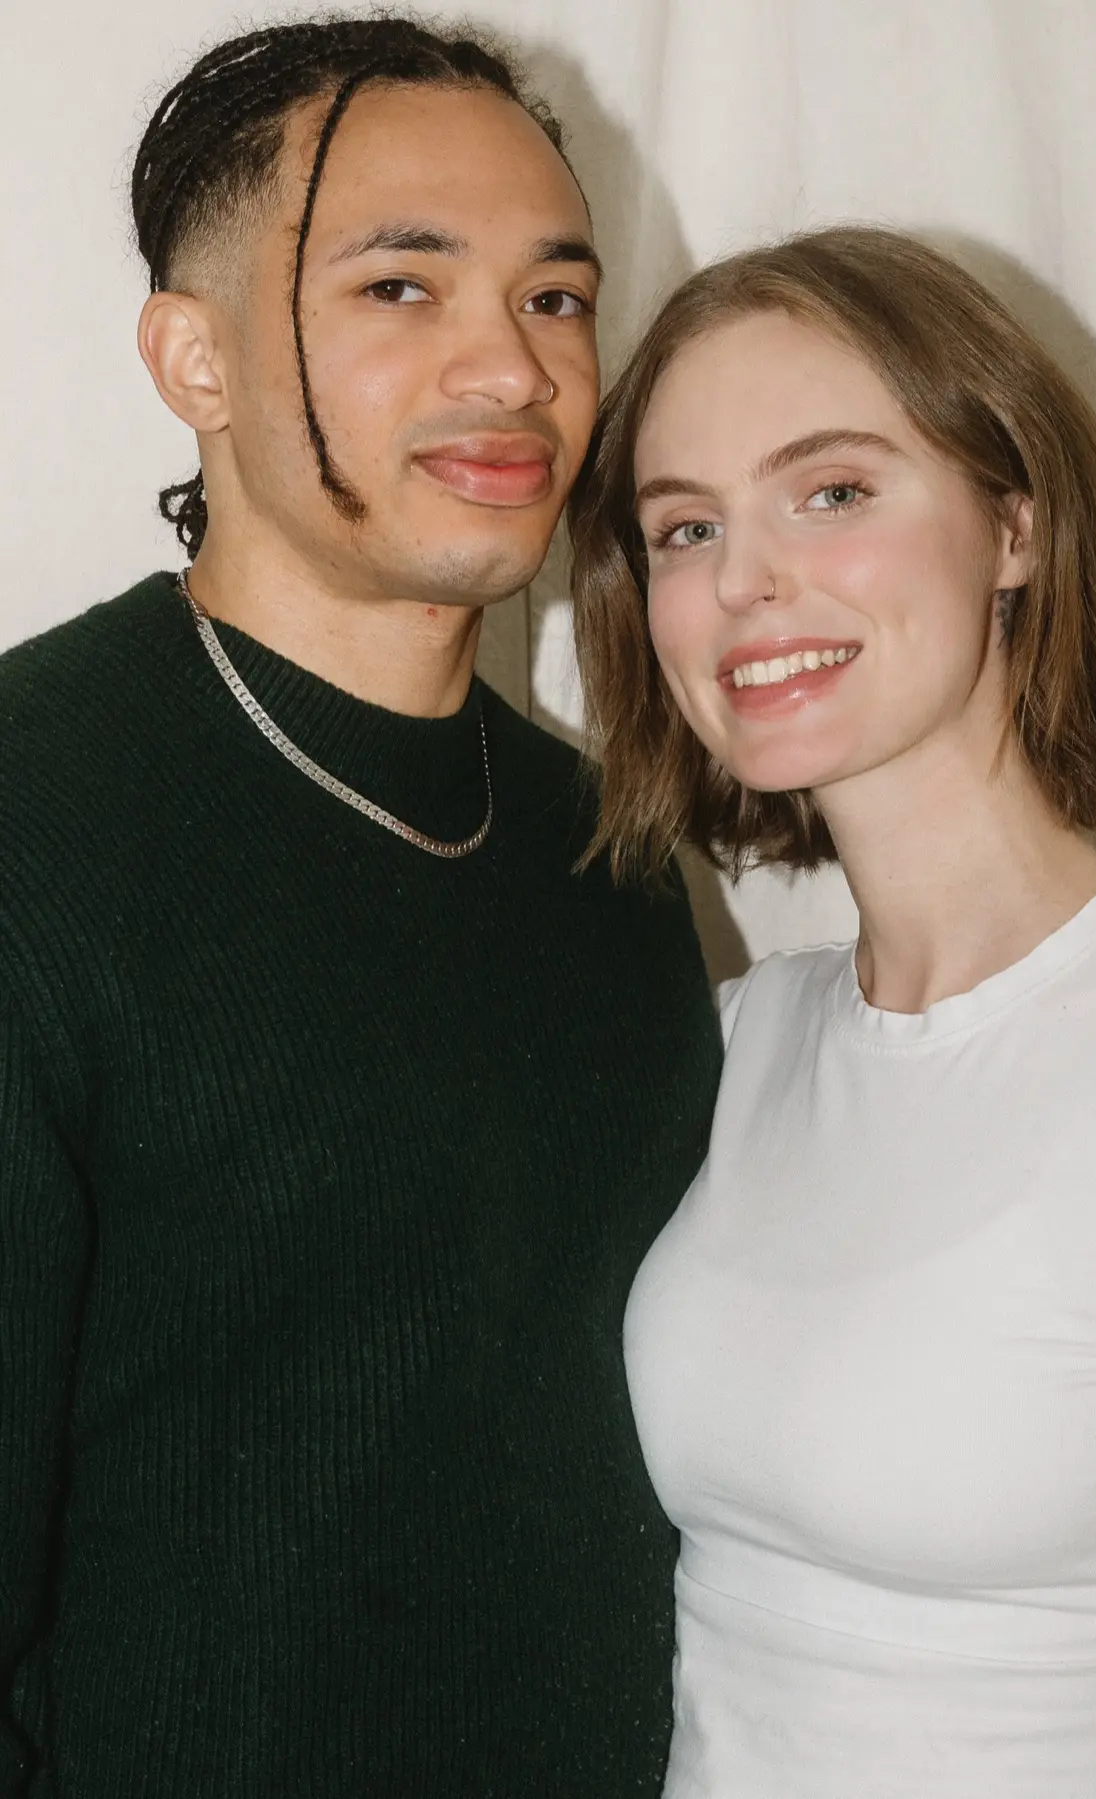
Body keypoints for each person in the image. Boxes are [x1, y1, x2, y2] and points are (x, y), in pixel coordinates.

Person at [0, 17, 722, 1797]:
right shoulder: (33, 816)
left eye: (559, 299)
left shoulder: (609, 849)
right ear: (198, 360)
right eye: (404, 288)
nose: (515, 367)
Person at [569, 224, 1096, 1798]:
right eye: (684, 527)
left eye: (832, 490)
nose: (746, 582)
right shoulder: (736, 1039)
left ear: (1015, 525)